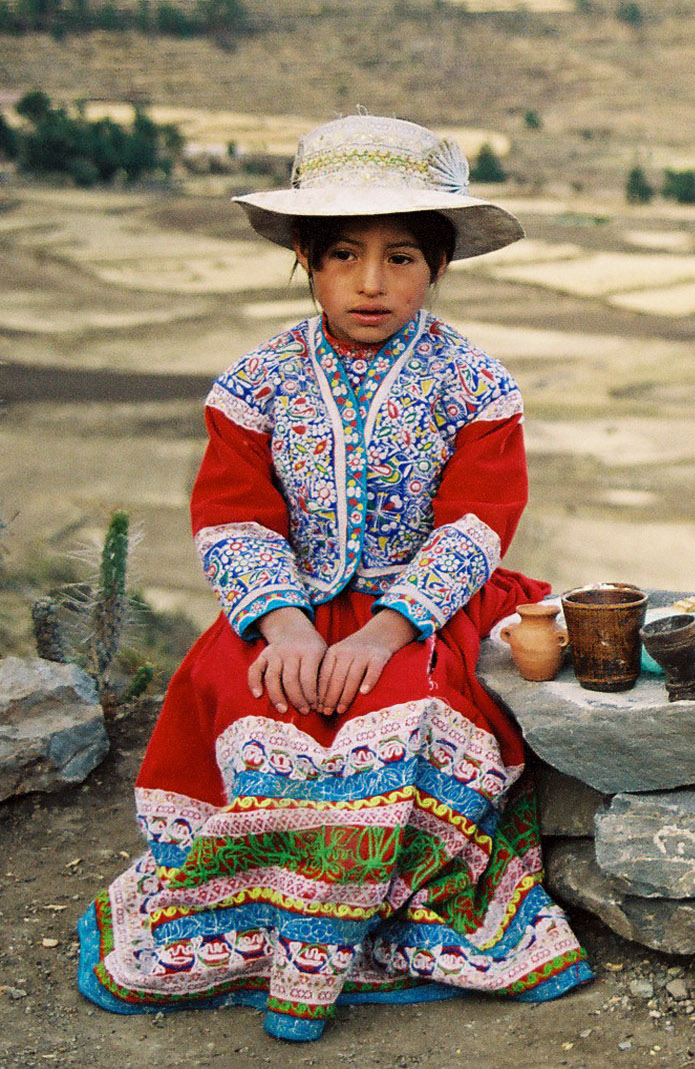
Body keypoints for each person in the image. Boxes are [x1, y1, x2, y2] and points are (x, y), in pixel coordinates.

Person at [76, 114, 592, 1041]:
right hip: (286, 608)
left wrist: (385, 628)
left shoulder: (474, 382)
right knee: (250, 697)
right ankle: (262, 918)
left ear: (438, 264)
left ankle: (358, 926)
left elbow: (477, 522)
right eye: (343, 253)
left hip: (430, 608)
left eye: (401, 256)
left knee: (405, 714)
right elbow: (234, 514)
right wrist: (283, 625)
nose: (370, 281)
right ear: (306, 259)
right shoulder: (259, 380)